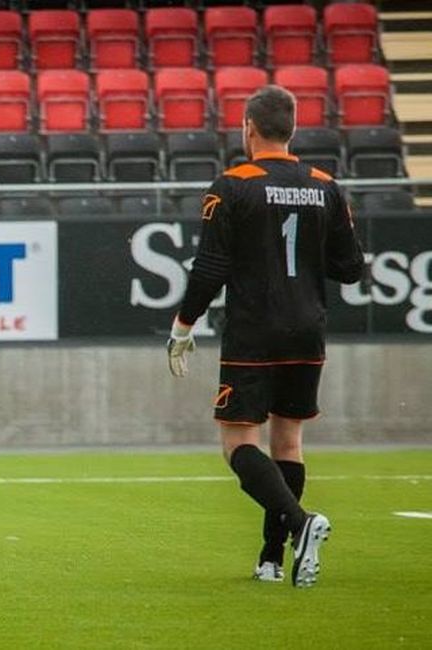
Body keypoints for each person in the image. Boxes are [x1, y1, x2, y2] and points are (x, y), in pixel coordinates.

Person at [166, 86, 365, 587]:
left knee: (237, 445)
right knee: (289, 440)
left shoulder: (231, 184)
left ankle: (300, 524)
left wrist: (182, 328)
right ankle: (272, 559)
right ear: (292, 129)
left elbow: (210, 268)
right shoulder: (325, 185)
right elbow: (351, 269)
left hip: (255, 329)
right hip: (307, 328)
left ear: (248, 128)